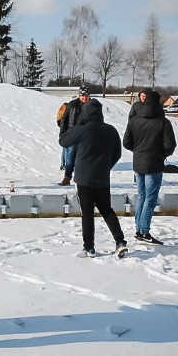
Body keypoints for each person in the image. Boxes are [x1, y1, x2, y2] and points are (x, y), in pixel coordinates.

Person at [59, 98, 127, 258]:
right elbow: (117, 153)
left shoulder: (83, 129)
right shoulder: (110, 130)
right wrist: (105, 166)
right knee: (106, 209)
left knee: (87, 212)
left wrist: (64, 122)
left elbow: (63, 141)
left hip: (84, 178)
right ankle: (120, 241)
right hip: (102, 177)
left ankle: (89, 248)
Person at [123, 90, 177, 245]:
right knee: (150, 198)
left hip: (138, 162)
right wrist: (161, 155)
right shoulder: (163, 122)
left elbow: (126, 143)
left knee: (142, 195)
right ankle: (144, 230)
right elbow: (170, 145)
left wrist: (138, 151)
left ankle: (139, 229)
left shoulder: (134, 120)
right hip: (154, 163)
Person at [58, 86, 91, 185]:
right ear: (79, 96)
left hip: (87, 135)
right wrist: (63, 133)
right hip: (73, 134)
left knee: (86, 158)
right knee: (70, 157)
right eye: (82, 96)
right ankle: (67, 177)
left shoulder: (93, 105)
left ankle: (85, 178)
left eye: (86, 96)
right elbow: (64, 119)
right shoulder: (72, 104)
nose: (84, 98)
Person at [55, 101, 69, 171]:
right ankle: (66, 165)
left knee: (64, 149)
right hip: (67, 134)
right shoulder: (65, 117)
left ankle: (62, 164)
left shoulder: (59, 115)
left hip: (62, 134)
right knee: (67, 149)